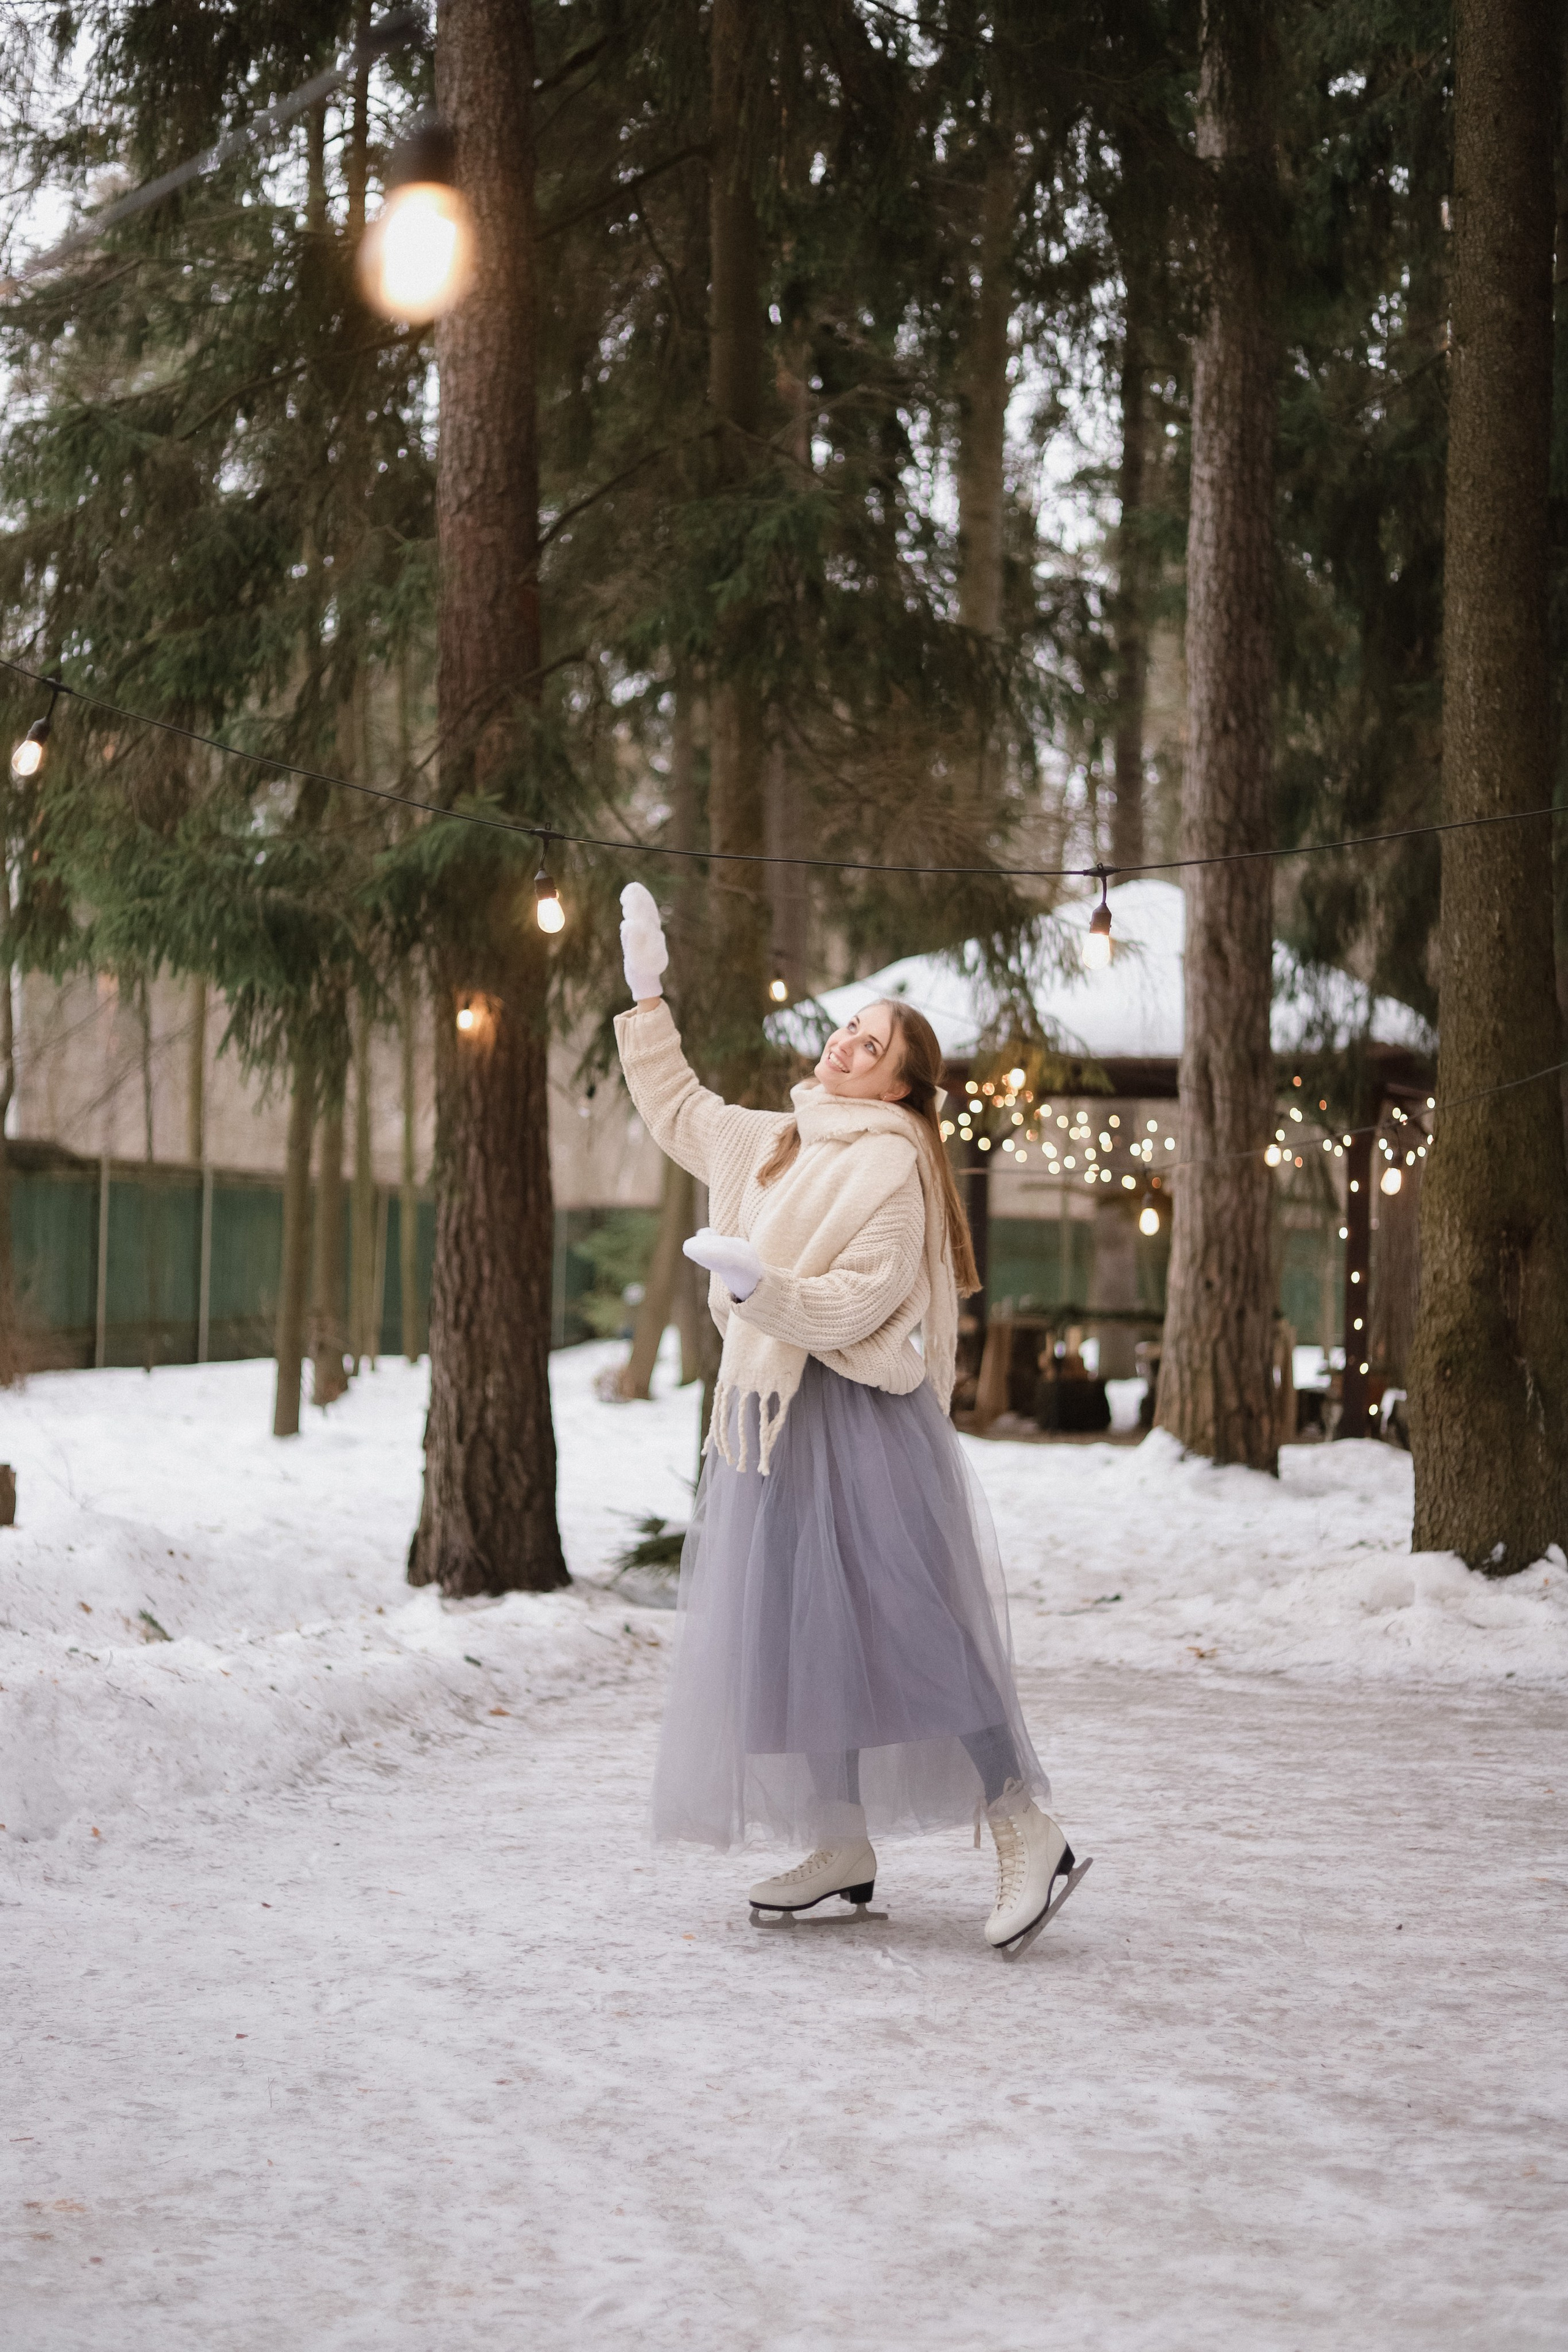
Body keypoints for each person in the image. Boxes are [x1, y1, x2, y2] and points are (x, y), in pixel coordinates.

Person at [615, 883, 1082, 1951]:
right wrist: (646, 999)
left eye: (872, 1046)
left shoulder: (891, 1164)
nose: (846, 1045)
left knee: (917, 1625)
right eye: (848, 1029)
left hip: (862, 1426)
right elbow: (681, 1110)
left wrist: (757, 1288)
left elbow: (860, 1303)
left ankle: (1026, 1823)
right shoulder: (777, 1140)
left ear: (901, 1085)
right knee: (800, 1627)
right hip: (776, 1423)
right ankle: (839, 1840)